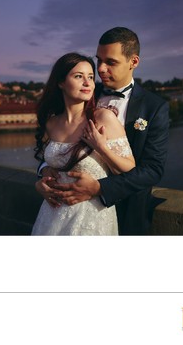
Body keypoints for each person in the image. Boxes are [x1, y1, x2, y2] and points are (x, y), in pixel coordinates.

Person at [40, 27, 170, 235]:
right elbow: (56, 146)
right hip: (65, 212)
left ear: (133, 62)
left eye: (110, 62)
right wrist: (43, 172)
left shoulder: (154, 108)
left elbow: (153, 170)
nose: (100, 69)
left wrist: (100, 188)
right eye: (99, 60)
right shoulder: (82, 92)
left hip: (127, 211)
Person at [32, 53, 136, 235]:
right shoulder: (51, 123)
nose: (88, 83)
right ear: (61, 82)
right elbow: (49, 163)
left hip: (91, 217)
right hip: (51, 214)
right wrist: (40, 182)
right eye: (79, 76)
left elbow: (129, 168)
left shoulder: (104, 118)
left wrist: (101, 147)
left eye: (90, 77)